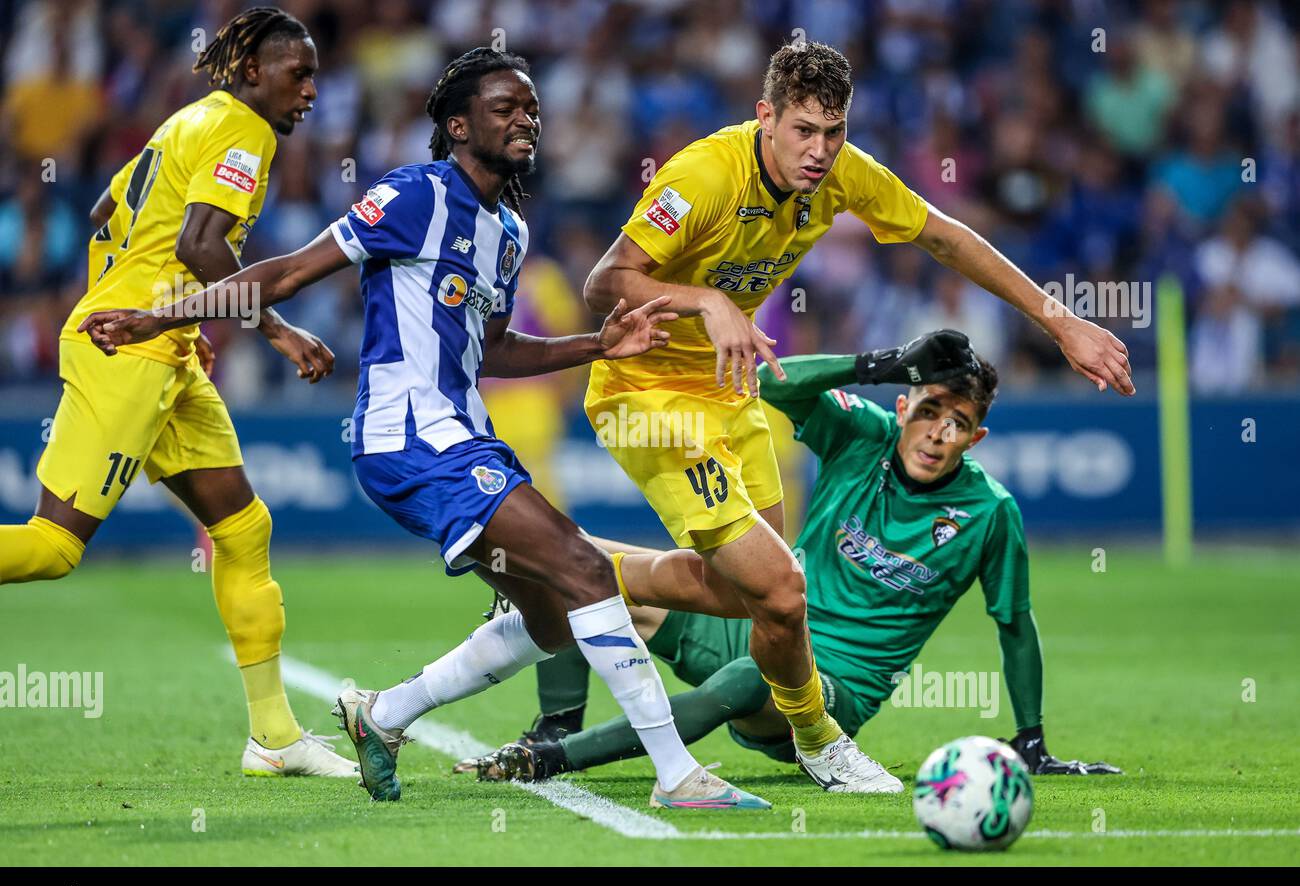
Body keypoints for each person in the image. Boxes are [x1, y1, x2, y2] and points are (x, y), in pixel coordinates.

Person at [80, 48, 768, 811]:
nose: (525, 119)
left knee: (546, 614)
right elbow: (288, 272)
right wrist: (159, 315)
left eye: (532, 107)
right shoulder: (413, 194)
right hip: (407, 438)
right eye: (505, 107)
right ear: (458, 123)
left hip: (462, 436)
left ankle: (383, 715)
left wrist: (596, 344)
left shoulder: (507, 230)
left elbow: (495, 348)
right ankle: (678, 776)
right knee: (586, 570)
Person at [579, 40, 1133, 790]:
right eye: (804, 130)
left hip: (726, 385)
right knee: (780, 587)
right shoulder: (703, 175)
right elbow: (603, 283)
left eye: (834, 131)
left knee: (753, 600)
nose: (820, 150)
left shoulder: (842, 175)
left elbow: (945, 235)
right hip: (647, 389)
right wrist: (706, 300)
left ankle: (564, 568)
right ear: (765, 116)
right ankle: (821, 742)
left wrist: (1060, 320)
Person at [456, 333, 1122, 786]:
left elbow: (1015, 623)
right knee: (569, 562)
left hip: (833, 687)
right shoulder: (864, 435)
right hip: (744, 618)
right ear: (904, 404)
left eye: (957, 422)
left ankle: (549, 759)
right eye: (930, 409)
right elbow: (770, 387)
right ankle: (557, 718)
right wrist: (878, 362)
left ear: (976, 436)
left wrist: (1029, 739)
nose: (937, 432)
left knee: (752, 676)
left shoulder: (990, 513)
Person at [0, 7, 354, 779]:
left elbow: (104, 212)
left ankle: (273, 736)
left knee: (242, 529)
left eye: (317, 77)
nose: (311, 93)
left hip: (159, 344)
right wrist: (280, 331)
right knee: (56, 547)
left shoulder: (187, 120)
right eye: (299, 75)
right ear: (254, 70)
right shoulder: (244, 131)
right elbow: (201, 245)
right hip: (130, 347)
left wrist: (128, 293)